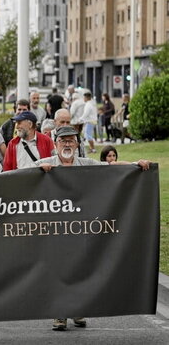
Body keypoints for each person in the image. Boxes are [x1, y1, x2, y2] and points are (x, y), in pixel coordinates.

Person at [34, 125, 150, 332]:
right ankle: (59, 314)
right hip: (54, 229)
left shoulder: (86, 164)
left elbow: (111, 168)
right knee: (58, 270)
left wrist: (135, 164)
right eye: (63, 141)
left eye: (71, 140)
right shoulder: (45, 164)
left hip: (81, 229)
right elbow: (18, 177)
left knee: (80, 269)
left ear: (78, 144)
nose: (67, 144)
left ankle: (78, 309)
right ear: (56, 144)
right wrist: (36, 172)